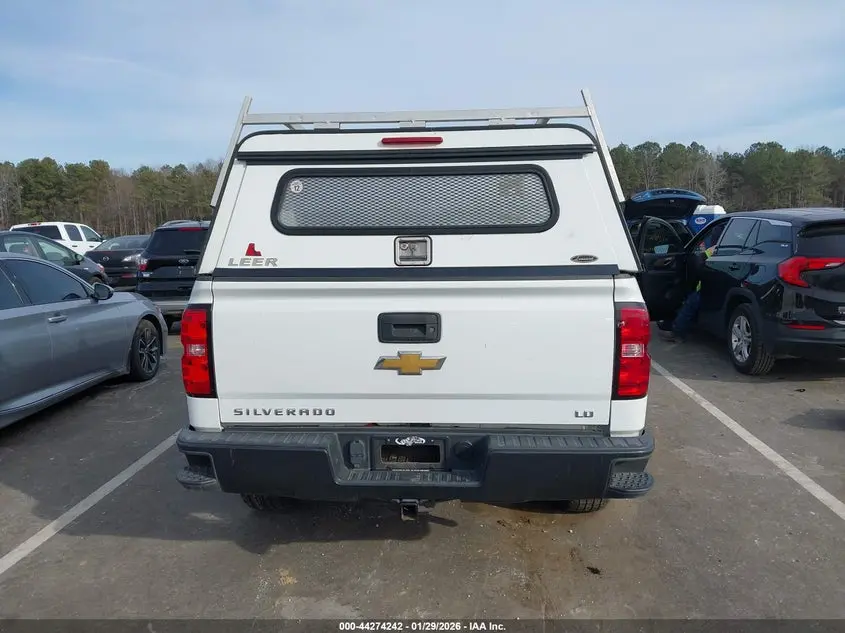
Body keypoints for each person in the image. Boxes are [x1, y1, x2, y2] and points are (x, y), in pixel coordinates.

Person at [658, 236, 718, 343]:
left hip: (709, 286)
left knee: (691, 302)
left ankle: (677, 331)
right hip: (719, 284)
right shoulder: (726, 248)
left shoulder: (716, 248)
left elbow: (700, 260)